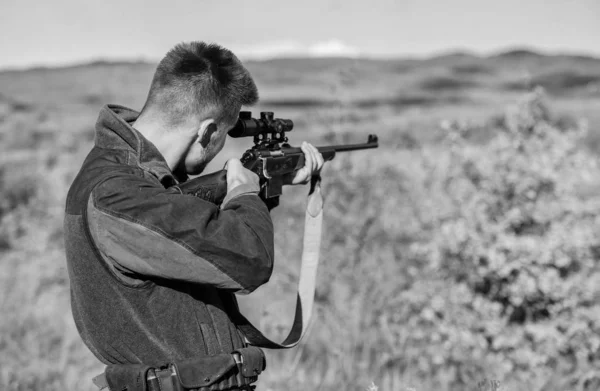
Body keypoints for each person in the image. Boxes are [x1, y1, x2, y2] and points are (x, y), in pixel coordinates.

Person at [64, 41, 324, 391]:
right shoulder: (118, 194)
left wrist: (264, 186)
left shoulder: (135, 180)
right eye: (223, 135)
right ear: (206, 132)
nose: (219, 149)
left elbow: (196, 241)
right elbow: (248, 260)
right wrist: (243, 192)